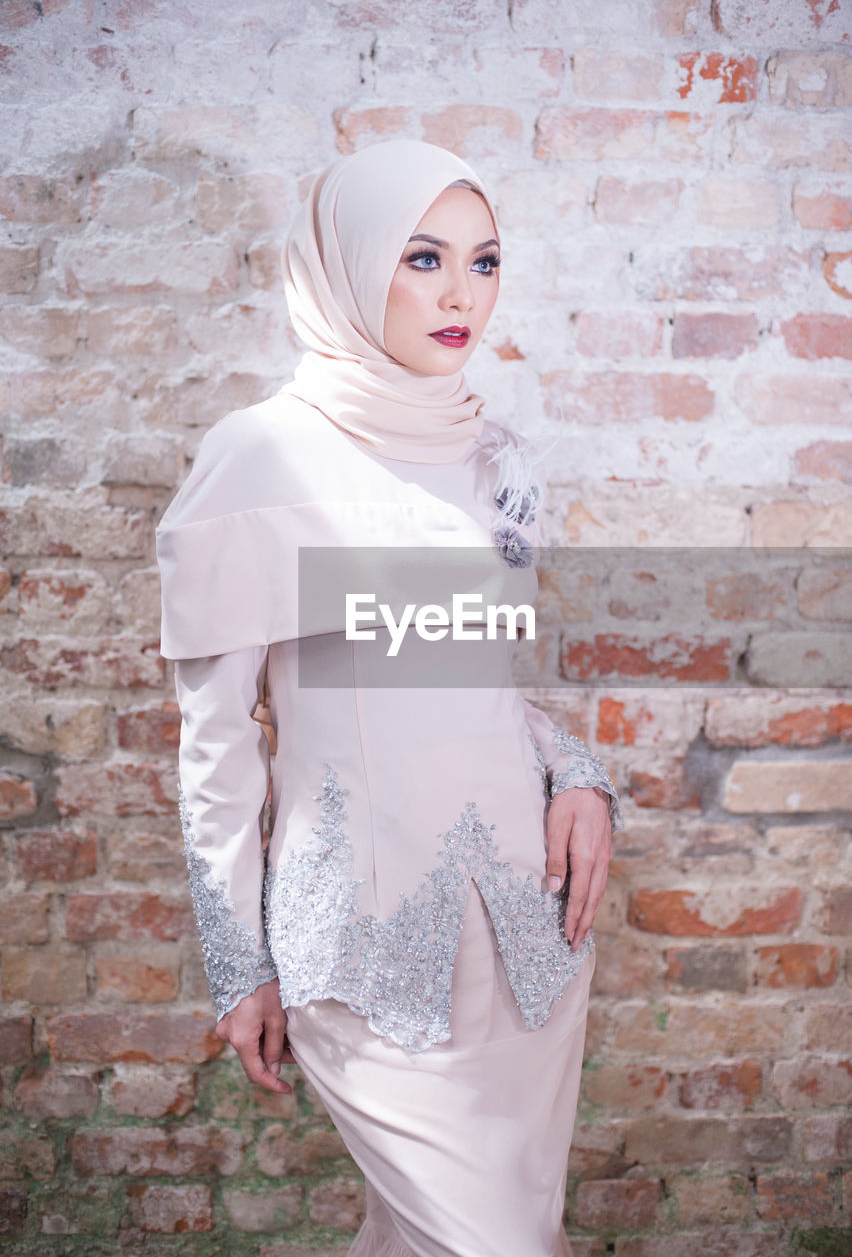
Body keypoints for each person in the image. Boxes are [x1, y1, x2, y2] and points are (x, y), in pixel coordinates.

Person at [156, 140, 622, 1257]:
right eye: (424, 257)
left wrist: (582, 776)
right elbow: (218, 747)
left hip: (529, 933)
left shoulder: (494, 459)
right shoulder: (261, 455)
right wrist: (241, 960)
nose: (463, 292)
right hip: (368, 957)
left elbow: (488, 686)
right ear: (350, 264)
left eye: (484, 260)